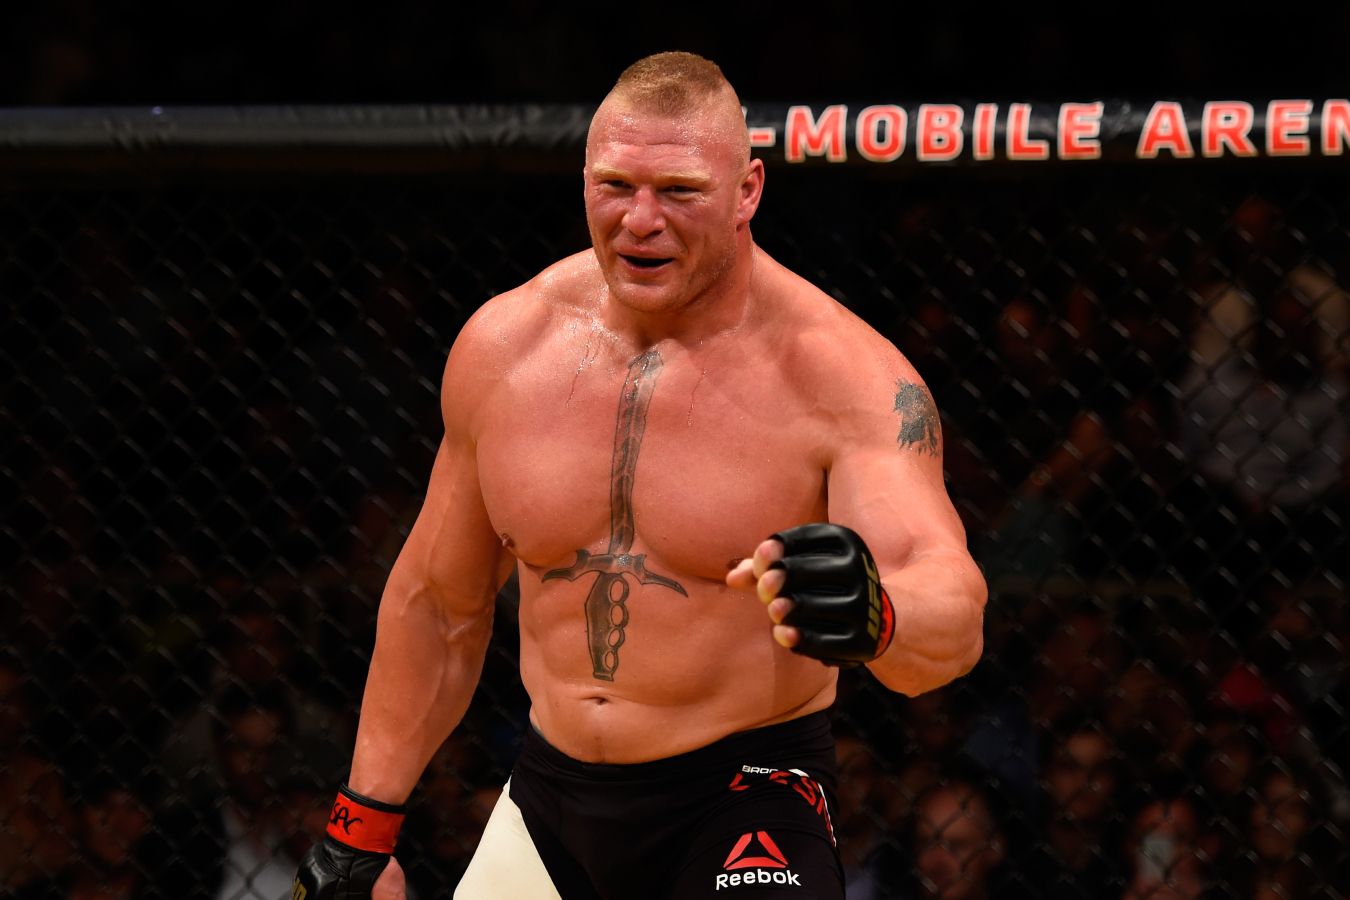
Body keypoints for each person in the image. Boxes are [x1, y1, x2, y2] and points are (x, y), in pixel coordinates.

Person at [295, 50, 987, 900]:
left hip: (746, 794)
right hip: (549, 798)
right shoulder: (506, 348)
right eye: (615, 186)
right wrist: (360, 831)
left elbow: (952, 616)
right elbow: (441, 604)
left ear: (747, 191)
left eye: (680, 191)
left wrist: (881, 613)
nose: (640, 220)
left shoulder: (844, 378)